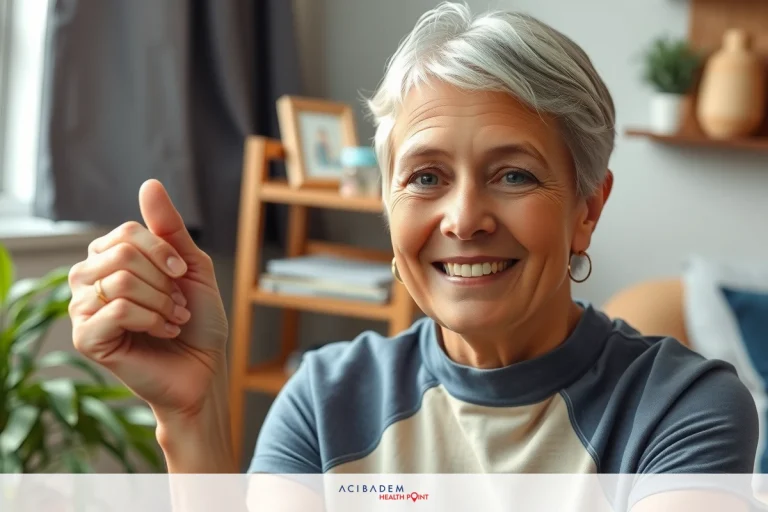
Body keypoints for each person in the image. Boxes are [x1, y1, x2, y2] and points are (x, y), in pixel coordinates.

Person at [68, 3, 758, 511]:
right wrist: (190, 417)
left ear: (586, 208)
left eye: (513, 174)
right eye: (426, 178)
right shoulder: (323, 401)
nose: (464, 219)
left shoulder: (683, 412)